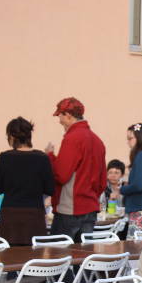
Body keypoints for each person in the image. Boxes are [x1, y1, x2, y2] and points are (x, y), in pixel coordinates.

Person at [46, 97, 107, 242]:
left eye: (59, 116)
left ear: (68, 115)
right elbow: (102, 181)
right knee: (83, 258)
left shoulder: (72, 138)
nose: (59, 120)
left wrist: (50, 156)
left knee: (58, 258)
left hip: (70, 208)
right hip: (90, 207)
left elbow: (61, 175)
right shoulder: (97, 140)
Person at [0, 117, 55, 246]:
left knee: (8, 258)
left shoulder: (4, 157)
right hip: (34, 215)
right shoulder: (42, 158)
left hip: (10, 214)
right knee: (33, 261)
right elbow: (50, 189)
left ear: (11, 137)